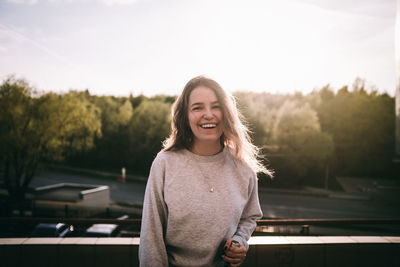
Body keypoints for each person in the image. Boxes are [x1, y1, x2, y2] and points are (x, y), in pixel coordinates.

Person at [139, 76, 272, 267]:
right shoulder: (164, 164)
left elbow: (249, 217)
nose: (208, 114)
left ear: (226, 112)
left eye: (216, 106)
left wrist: (239, 241)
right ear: (185, 116)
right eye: (197, 107)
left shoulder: (243, 168)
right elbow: (151, 237)